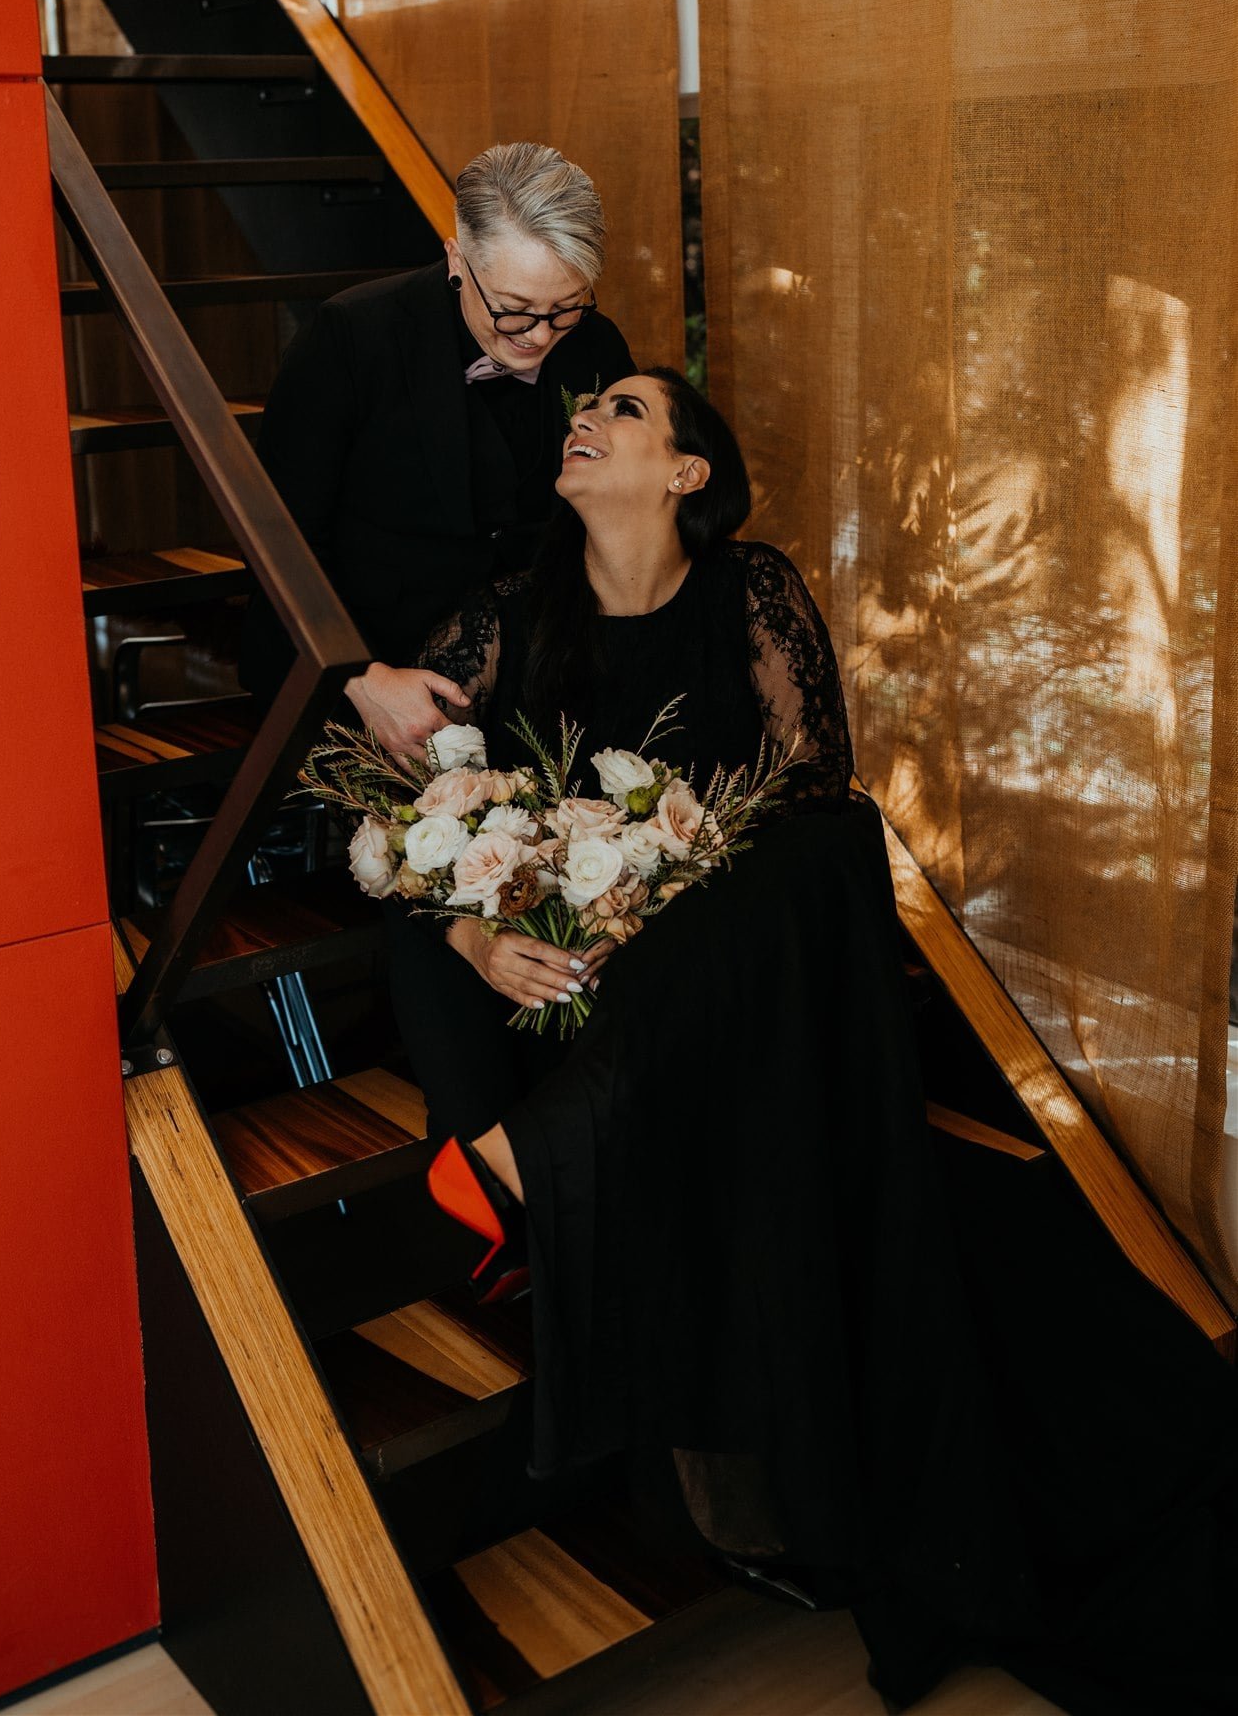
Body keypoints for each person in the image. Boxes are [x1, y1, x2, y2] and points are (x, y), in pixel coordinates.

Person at [396, 369, 1238, 1716]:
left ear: (686, 475)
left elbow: (810, 765)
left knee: (817, 844)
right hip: (607, 989)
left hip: (775, 978)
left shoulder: (750, 589)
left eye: (624, 411)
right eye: (586, 407)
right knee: (711, 928)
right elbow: (398, 807)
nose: (588, 419)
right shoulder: (509, 615)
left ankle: (544, 1154)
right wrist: (474, 933)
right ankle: (564, 1134)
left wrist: (654, 883)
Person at [238, 142, 635, 756]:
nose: (538, 336)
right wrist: (361, 679)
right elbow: (280, 541)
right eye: (513, 311)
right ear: (457, 259)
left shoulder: (595, 347)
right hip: (375, 667)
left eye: (564, 309)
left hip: (542, 670)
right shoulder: (351, 338)